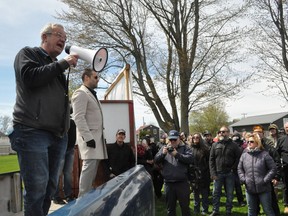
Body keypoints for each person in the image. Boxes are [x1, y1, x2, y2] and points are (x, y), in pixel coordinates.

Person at [8, 23, 78, 216]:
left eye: (65, 36)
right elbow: (30, 77)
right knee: (37, 189)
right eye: (59, 35)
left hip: (57, 135)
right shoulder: (28, 54)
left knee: (49, 188)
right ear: (44, 37)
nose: (63, 39)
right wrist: (63, 63)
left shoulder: (56, 69)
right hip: (32, 130)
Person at [72, 68, 108, 197]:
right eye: (95, 77)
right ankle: (82, 203)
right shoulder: (80, 93)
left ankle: (86, 201)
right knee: (88, 170)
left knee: (92, 171)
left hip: (97, 139)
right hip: (90, 140)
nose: (98, 80)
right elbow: (79, 117)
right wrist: (88, 138)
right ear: (86, 78)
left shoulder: (91, 94)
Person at [154, 130, 193, 216]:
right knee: (170, 209)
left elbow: (190, 159)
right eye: (171, 140)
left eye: (174, 140)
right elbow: (156, 160)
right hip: (169, 183)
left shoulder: (186, 147)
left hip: (182, 183)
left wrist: (177, 154)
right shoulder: (164, 148)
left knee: (185, 208)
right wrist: (163, 154)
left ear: (179, 139)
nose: (172, 142)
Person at [238, 133, 276, 216]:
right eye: (247, 141)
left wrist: (265, 180)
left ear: (257, 142)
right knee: (251, 211)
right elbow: (239, 169)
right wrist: (244, 179)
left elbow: (273, 168)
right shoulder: (244, 155)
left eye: (251, 141)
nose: (249, 143)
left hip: (264, 189)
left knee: (268, 210)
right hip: (249, 188)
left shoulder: (264, 154)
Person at [209, 126, 241, 216]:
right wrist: (213, 173)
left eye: (224, 132)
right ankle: (215, 210)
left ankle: (228, 211)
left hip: (229, 173)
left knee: (230, 194)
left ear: (228, 133)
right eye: (220, 132)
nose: (221, 133)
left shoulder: (234, 145)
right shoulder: (215, 145)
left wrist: (233, 169)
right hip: (218, 173)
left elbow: (238, 158)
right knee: (216, 193)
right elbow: (211, 160)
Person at [253, 125, 281, 216]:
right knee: (254, 203)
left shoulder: (269, 147)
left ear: (263, 133)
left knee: (272, 201)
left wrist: (276, 177)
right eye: (255, 132)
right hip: (254, 180)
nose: (257, 134)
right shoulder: (250, 147)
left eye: (259, 132)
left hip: (268, 179)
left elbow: (277, 162)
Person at [53, 107, 76, 204]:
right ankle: (56, 196)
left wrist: (71, 148)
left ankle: (68, 195)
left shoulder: (72, 123)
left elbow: (73, 137)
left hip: (69, 151)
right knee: (57, 174)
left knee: (68, 173)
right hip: (60, 151)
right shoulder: (58, 123)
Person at [189, 132, 210, 215]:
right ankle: (196, 208)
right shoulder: (190, 149)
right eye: (194, 137)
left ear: (200, 138)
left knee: (204, 193)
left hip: (204, 173)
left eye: (197, 137)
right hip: (193, 174)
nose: (195, 139)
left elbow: (209, 161)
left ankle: (205, 209)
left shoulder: (205, 149)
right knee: (195, 193)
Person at [277, 121, 288, 214]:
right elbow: (277, 153)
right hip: (285, 166)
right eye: (287, 127)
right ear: (285, 129)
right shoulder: (281, 139)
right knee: (285, 186)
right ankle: (286, 205)